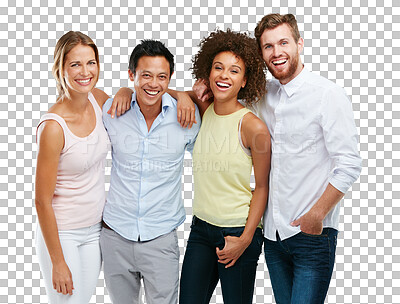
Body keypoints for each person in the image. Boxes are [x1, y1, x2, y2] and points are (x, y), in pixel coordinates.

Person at [194, 13, 362, 304]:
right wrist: (186, 94)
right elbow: (224, 98)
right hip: (273, 235)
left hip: (312, 235)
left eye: (283, 42)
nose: (276, 52)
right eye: (268, 46)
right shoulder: (264, 94)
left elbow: (349, 164)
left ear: (299, 44)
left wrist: (317, 214)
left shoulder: (327, 95)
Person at [99, 39, 200, 304]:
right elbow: (81, 92)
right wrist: (123, 91)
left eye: (161, 77)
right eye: (145, 75)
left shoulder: (187, 117)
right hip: (115, 235)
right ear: (132, 75)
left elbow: (209, 159)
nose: (153, 84)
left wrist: (184, 95)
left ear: (169, 79)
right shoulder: (112, 111)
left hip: (160, 237)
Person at [35, 31, 131, 303]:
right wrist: (58, 261)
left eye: (91, 63)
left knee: (83, 299)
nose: (85, 71)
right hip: (62, 233)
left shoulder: (97, 99)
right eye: (75, 64)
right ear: (61, 68)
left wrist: (125, 90)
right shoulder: (54, 127)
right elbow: (42, 200)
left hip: (95, 230)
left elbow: (141, 98)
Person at [176, 29, 271, 304]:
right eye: (218, 68)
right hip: (201, 230)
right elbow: (159, 92)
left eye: (234, 70)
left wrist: (244, 239)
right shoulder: (204, 110)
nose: (224, 76)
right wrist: (184, 95)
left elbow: (263, 187)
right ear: (208, 72)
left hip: (238, 232)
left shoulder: (253, 127)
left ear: (244, 81)